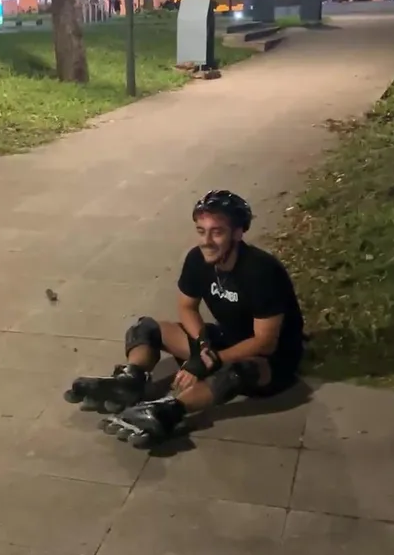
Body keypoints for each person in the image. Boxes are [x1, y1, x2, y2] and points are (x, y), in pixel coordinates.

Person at [63, 190, 306, 448]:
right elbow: (187, 307)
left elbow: (265, 342)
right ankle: (130, 381)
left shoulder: (261, 271)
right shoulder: (197, 259)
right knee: (146, 328)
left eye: (217, 232)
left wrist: (210, 361)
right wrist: (203, 345)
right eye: (201, 231)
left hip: (271, 361)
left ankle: (169, 410)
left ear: (238, 233)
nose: (207, 241)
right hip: (225, 340)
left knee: (239, 370)